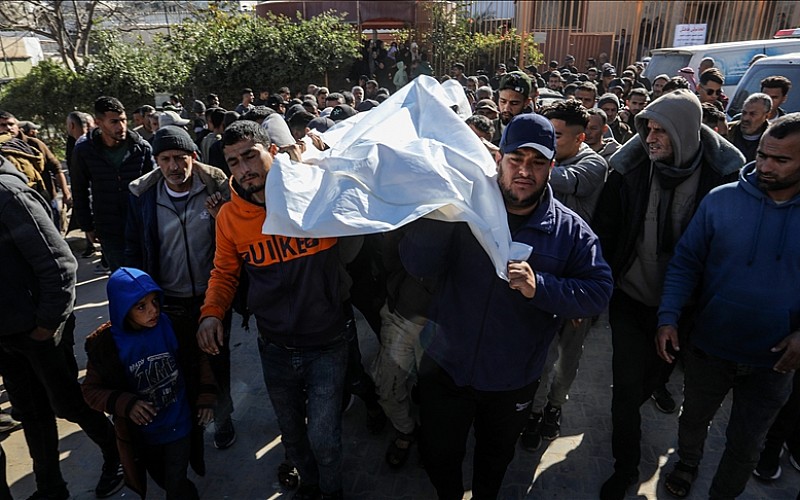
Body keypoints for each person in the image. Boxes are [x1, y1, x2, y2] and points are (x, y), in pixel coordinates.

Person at [400, 113, 613, 499]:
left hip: (512, 379)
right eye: (516, 159)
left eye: (536, 162)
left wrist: (542, 287)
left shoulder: (569, 231)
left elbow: (598, 291)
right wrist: (437, 214)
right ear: (499, 159)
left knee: (494, 461)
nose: (524, 172)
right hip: (446, 366)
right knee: (439, 454)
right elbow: (417, 265)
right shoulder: (466, 213)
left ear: (552, 166)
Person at [593, 89, 744, 500]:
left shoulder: (724, 182)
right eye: (648, 128)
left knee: (655, 379)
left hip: (685, 313)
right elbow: (605, 235)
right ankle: (625, 467)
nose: (651, 138)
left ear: (686, 132)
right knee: (624, 390)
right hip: (629, 298)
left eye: (661, 130)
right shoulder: (627, 171)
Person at [197, 121, 353, 499]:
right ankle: (310, 487)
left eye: (251, 155)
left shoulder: (315, 192)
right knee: (294, 438)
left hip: (328, 343)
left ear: (274, 152)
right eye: (233, 162)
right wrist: (211, 313)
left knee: (326, 440)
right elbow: (224, 271)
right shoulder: (230, 219)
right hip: (275, 348)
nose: (244, 168)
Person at [655, 113, 800, 499]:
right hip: (709, 347)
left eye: (781, 160)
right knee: (693, 420)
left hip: (775, 361)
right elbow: (686, 261)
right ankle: (686, 463)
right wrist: (668, 316)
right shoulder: (721, 200)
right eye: (765, 155)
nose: (767, 166)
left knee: (746, 443)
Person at [0, 152, 123, 499]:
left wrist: (45, 327)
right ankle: (51, 488)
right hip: (7, 335)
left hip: (40, 331)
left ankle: (118, 451)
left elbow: (59, 265)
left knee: (68, 403)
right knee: (33, 413)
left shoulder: (9, 196)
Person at [125, 125, 236, 450]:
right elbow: (134, 246)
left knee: (217, 358)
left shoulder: (217, 188)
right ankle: (191, 419)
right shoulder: (144, 196)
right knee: (181, 360)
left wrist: (220, 217)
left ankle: (224, 416)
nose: (174, 167)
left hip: (212, 296)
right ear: (157, 162)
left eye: (179, 158)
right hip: (167, 300)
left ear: (193, 156)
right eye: (165, 159)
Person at [519, 100, 608, 450]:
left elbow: (566, 180)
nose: (548, 141)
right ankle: (532, 411)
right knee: (538, 355)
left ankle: (553, 408)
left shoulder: (593, 164)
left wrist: (520, 161)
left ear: (580, 137)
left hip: (575, 281)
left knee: (566, 359)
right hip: (540, 280)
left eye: (555, 137)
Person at [82, 268, 217, 499]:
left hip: (180, 423)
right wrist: (126, 404)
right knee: (163, 478)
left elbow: (198, 359)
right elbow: (91, 391)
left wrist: (205, 397)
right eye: (141, 306)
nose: (153, 311)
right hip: (144, 436)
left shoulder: (175, 325)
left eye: (155, 301)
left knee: (175, 480)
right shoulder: (106, 346)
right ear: (122, 309)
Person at [72, 96, 155, 271]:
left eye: (123, 120)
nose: (121, 127)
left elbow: (153, 186)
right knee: (123, 279)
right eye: (114, 122)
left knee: (148, 276)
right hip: (108, 228)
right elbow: (79, 189)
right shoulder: (84, 150)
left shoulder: (141, 148)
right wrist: (87, 225)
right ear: (98, 123)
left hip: (140, 224)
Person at [727, 93, 771, 162]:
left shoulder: (774, 138)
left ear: (766, 116)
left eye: (752, 114)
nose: (745, 118)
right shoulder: (727, 131)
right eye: (744, 113)